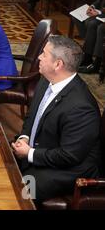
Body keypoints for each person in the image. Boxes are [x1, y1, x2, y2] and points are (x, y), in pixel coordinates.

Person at [12, 35, 101, 203]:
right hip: (46, 149)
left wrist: (30, 153)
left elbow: (69, 156)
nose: (38, 57)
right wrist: (24, 137)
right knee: (1, 156)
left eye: (44, 54)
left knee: (21, 191)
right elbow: (32, 116)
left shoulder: (81, 107)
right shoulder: (47, 80)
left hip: (71, 169)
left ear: (58, 64)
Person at [74, 0, 105, 74]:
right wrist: (92, 6)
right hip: (100, 13)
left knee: (94, 25)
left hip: (102, 15)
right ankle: (88, 52)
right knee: (76, 15)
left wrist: (98, 13)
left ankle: (95, 63)